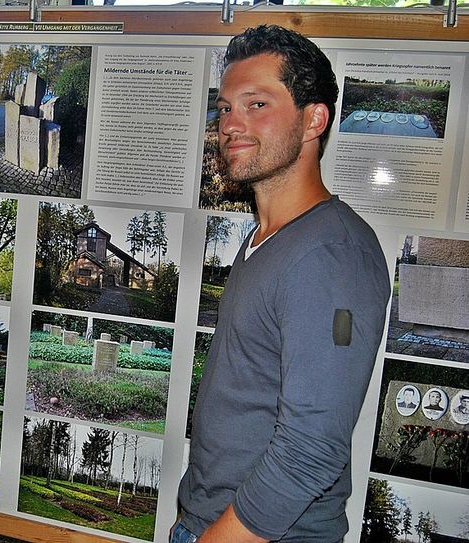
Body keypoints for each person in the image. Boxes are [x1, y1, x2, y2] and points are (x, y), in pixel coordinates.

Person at [174, 25, 390, 543]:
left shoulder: (333, 254)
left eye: (257, 104)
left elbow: (311, 449)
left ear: (314, 119)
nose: (231, 124)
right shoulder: (266, 238)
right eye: (225, 108)